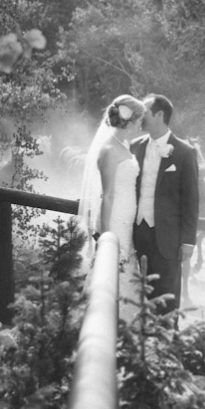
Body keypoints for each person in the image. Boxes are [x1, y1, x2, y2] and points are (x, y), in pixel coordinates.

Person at [78, 94, 147, 320]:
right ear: (129, 120)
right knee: (112, 269)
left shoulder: (124, 146)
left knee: (126, 272)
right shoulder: (108, 150)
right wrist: (107, 236)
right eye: (139, 119)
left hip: (128, 220)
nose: (141, 124)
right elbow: (106, 196)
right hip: (115, 219)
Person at [131, 94, 199, 317]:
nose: (140, 117)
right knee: (137, 292)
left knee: (167, 294)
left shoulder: (184, 152)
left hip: (167, 237)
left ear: (159, 115)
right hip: (136, 232)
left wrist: (188, 241)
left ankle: (168, 340)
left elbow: (191, 200)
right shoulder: (135, 147)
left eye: (145, 112)